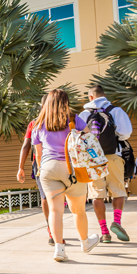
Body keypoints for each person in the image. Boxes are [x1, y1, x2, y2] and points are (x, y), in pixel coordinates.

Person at [32, 89, 100, 262]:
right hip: (72, 168)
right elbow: (89, 140)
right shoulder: (73, 119)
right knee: (78, 211)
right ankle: (85, 242)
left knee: (55, 210)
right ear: (65, 102)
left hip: (48, 168)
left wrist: (42, 170)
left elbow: (38, 154)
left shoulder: (38, 124)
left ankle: (59, 249)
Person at [79, 84, 133, 243]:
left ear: (90, 97)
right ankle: (117, 221)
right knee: (118, 190)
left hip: (93, 159)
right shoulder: (116, 111)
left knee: (97, 194)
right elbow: (125, 134)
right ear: (104, 95)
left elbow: (78, 138)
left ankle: (104, 232)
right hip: (114, 155)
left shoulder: (83, 114)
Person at [17, 96, 62, 245]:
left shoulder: (34, 123)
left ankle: (51, 230)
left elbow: (26, 146)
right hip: (62, 161)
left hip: (42, 163)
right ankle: (55, 230)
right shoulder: (62, 120)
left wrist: (21, 168)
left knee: (45, 196)